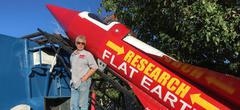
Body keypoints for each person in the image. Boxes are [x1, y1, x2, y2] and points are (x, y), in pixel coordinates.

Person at [70, 35, 98, 110]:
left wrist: (85, 78)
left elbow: (94, 67)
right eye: (78, 43)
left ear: (85, 45)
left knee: (82, 105)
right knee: (73, 106)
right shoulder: (72, 55)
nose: (80, 45)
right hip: (74, 83)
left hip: (83, 83)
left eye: (82, 43)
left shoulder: (87, 54)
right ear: (75, 43)